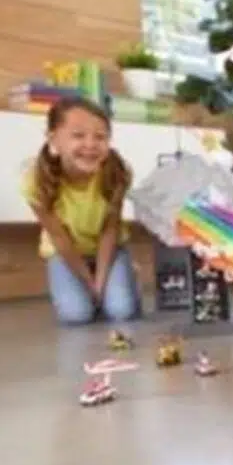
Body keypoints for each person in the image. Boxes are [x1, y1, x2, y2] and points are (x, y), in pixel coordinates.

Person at [22, 96, 142, 326]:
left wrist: (100, 282)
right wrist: (88, 281)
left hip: (109, 249)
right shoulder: (35, 182)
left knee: (121, 311)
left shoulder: (116, 172)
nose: (91, 144)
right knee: (76, 315)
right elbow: (60, 238)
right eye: (78, 135)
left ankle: (123, 277)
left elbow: (110, 230)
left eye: (101, 137)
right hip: (66, 252)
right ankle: (97, 287)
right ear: (54, 140)